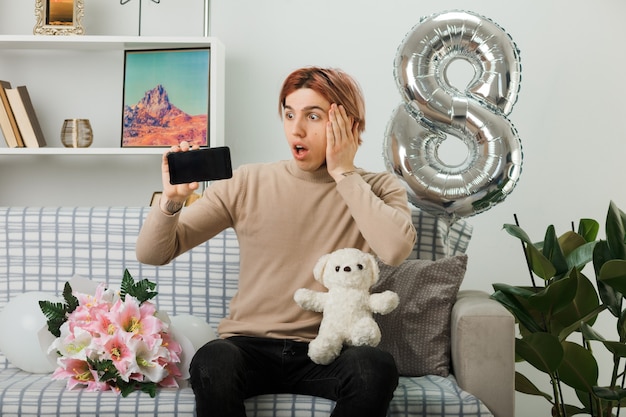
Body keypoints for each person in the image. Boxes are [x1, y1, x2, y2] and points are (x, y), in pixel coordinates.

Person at [135, 66, 417, 417]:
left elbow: (395, 249)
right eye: (289, 114)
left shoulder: (377, 188)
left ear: (351, 125)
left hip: (330, 348)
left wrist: (344, 174)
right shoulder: (247, 182)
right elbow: (153, 253)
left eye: (313, 116)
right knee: (212, 360)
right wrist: (172, 200)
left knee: (374, 366)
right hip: (249, 348)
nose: (296, 129)